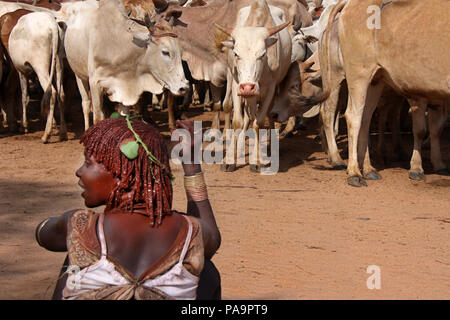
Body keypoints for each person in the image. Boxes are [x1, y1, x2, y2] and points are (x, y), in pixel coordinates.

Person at [35, 117, 221, 300]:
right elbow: (211, 236)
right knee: (206, 271)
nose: (79, 172)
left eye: (87, 163)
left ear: (122, 174)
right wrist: (191, 164)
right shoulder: (190, 232)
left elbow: (43, 234)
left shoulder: (81, 226)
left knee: (74, 260)